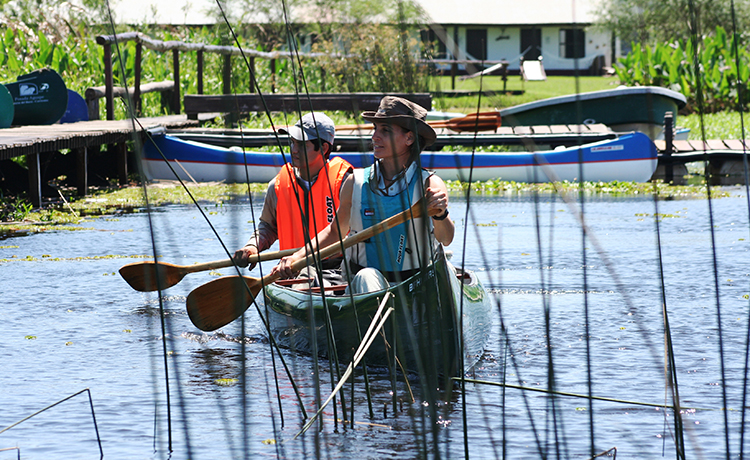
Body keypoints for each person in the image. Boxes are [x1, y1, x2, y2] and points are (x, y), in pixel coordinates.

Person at [272, 96, 454, 293]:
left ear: (409, 138)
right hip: (361, 287)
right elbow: (335, 232)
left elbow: (446, 238)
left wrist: (440, 215)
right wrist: (296, 257)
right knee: (367, 276)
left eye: (385, 131)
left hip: (415, 287)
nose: (375, 136)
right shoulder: (355, 182)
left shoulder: (430, 184)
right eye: (375, 129)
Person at [233, 112, 352, 286]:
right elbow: (268, 227)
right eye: (292, 142)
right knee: (305, 276)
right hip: (291, 270)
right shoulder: (277, 185)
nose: (294, 150)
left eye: (302, 145)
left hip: (337, 269)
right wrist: (252, 247)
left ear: (324, 148)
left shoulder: (344, 183)